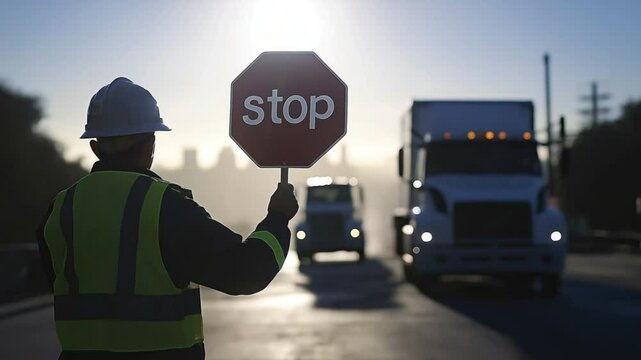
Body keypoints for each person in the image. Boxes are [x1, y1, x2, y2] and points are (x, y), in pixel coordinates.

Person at [37, 77, 298, 359]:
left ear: (95, 147)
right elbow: (244, 273)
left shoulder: (60, 208)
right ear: (150, 144)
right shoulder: (165, 206)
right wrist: (277, 219)